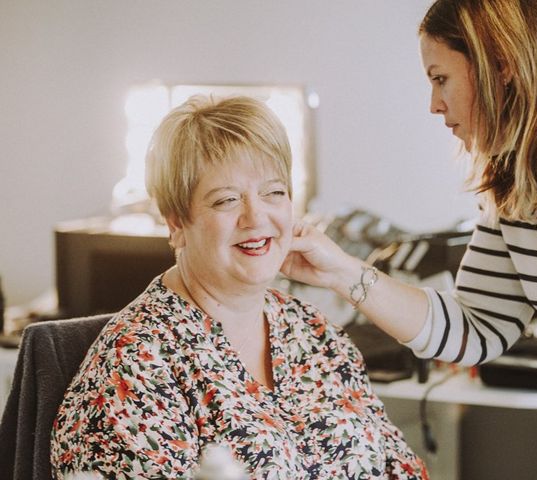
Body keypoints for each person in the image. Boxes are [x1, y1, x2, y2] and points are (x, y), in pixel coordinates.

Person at [280, 0, 537, 477]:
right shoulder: (512, 178)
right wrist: (345, 272)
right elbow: (475, 327)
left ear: (502, 67)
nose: (433, 104)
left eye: (440, 78)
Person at [50, 95, 428, 479]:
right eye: (227, 200)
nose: (256, 216)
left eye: (274, 192)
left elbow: (399, 466)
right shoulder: (136, 364)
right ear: (177, 223)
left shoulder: (313, 331)